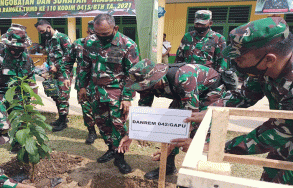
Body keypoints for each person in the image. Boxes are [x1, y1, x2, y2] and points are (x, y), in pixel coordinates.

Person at [178, 17, 293, 185]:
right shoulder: (264, 69)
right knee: (269, 178)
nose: (236, 65)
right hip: (284, 144)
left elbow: (279, 131)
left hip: (283, 135)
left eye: (240, 60)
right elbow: (244, 95)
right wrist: (210, 111)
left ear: (269, 59)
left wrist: (220, 148)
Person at [124, 59, 224, 180]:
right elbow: (144, 110)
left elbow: (191, 116)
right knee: (170, 126)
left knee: (201, 132)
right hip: (185, 96)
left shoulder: (183, 77)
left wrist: (171, 145)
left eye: (144, 86)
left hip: (210, 93)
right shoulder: (147, 86)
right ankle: (168, 167)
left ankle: (203, 174)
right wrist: (133, 132)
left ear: (156, 79)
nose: (142, 89)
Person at [78, 14, 139, 174]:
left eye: (105, 34)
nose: (101, 37)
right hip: (96, 92)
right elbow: (84, 66)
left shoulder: (128, 45)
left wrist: (127, 97)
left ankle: (120, 158)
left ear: (115, 28)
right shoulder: (90, 42)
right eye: (97, 33)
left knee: (118, 126)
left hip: (117, 94)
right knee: (102, 124)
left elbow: (132, 74)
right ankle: (111, 149)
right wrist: (82, 87)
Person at [0, 23, 36, 120]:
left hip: (19, 96)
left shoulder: (27, 59)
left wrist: (33, 95)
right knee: (0, 125)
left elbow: (31, 78)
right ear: (7, 44)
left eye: (20, 47)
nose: (17, 49)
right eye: (14, 47)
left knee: (21, 124)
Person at [35, 19, 72, 132]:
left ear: (48, 27)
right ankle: (61, 118)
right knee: (55, 95)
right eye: (40, 32)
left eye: (42, 31)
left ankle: (63, 121)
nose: (42, 34)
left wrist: (57, 65)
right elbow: (50, 55)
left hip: (64, 73)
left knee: (62, 96)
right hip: (53, 73)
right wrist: (45, 65)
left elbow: (69, 55)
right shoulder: (49, 40)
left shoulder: (62, 38)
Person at [71, 20, 98, 145]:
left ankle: (106, 132)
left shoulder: (103, 44)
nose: (94, 36)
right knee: (86, 109)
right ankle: (92, 132)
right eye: (92, 32)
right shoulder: (78, 44)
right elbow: (68, 60)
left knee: (103, 110)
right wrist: (66, 76)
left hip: (99, 84)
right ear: (87, 31)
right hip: (83, 84)